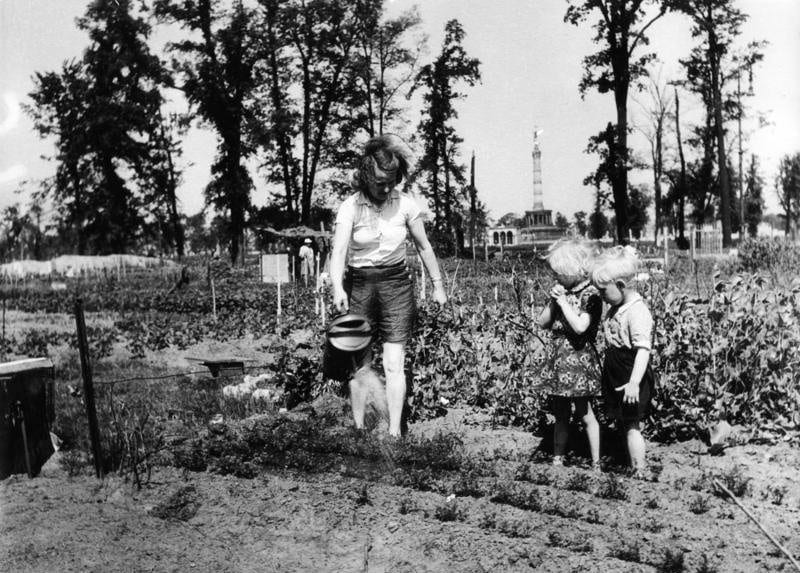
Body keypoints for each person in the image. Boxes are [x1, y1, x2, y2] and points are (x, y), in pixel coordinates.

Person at [330, 134, 448, 437]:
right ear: (366, 176)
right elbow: (339, 252)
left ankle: (395, 432)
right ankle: (359, 430)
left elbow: (424, 247)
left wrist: (438, 285)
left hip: (396, 285)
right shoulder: (350, 208)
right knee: (361, 363)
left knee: (395, 363)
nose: (386, 189)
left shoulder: (406, 205)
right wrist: (337, 288)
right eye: (380, 183)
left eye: (391, 182)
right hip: (359, 285)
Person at [537, 239, 603, 470]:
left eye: (560, 274)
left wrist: (563, 303)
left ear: (574, 270)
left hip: (578, 360)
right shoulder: (561, 292)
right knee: (561, 413)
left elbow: (580, 327)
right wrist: (553, 302)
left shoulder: (591, 294)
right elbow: (542, 322)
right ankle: (558, 457)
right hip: (560, 360)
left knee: (585, 413)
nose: (556, 278)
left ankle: (596, 461)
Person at [591, 245, 655, 477]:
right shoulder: (618, 306)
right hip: (618, 375)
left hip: (631, 377)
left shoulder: (637, 312)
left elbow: (643, 350)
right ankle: (628, 461)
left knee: (631, 425)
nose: (601, 296)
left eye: (602, 291)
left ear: (620, 285)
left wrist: (634, 382)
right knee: (623, 423)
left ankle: (639, 469)